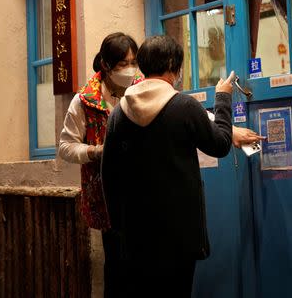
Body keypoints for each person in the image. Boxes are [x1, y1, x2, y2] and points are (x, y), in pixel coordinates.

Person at [101, 35, 243, 297]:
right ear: (172, 66)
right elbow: (221, 144)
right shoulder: (184, 106)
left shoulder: (119, 112)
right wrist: (222, 99)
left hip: (135, 235)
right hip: (178, 235)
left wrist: (120, 228)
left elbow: (108, 175)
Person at [58, 32, 139, 298]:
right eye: (122, 64)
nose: (130, 69)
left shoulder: (141, 88)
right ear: (105, 65)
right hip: (107, 197)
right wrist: (94, 152)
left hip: (144, 192)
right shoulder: (84, 101)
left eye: (133, 62)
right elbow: (66, 147)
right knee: (116, 265)